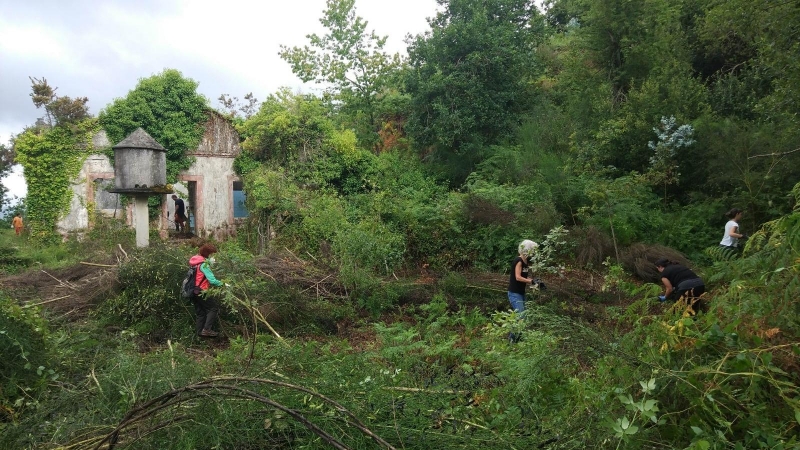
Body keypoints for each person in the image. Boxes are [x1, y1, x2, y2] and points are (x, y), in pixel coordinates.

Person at [188, 244, 224, 337]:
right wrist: (224, 284)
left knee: (201, 312)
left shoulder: (195, 263)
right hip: (202, 291)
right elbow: (212, 280)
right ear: (208, 254)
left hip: (194, 291)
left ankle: (200, 334)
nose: (214, 257)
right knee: (213, 308)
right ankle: (207, 330)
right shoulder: (204, 265)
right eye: (213, 255)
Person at [507, 239, 538, 314]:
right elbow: (518, 277)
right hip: (514, 293)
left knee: (525, 315)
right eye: (532, 250)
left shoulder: (525, 261)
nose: (533, 252)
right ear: (527, 249)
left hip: (521, 292)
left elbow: (523, 276)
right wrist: (530, 281)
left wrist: (534, 281)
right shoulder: (519, 261)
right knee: (521, 316)